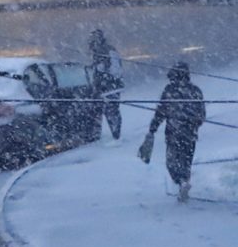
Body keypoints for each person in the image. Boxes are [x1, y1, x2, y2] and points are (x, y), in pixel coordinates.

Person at [138, 60, 206, 202]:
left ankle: (180, 182)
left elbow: (161, 112)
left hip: (173, 134)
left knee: (171, 163)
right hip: (190, 135)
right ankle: (184, 182)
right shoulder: (196, 91)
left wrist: (153, 128)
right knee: (186, 161)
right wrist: (193, 125)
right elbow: (202, 115)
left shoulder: (169, 90)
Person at [86, 27, 123, 140]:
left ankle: (116, 138)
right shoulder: (96, 53)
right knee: (95, 111)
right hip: (99, 88)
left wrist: (102, 70)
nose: (91, 43)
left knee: (111, 112)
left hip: (111, 88)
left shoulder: (109, 50)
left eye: (94, 39)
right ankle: (95, 137)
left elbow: (116, 70)